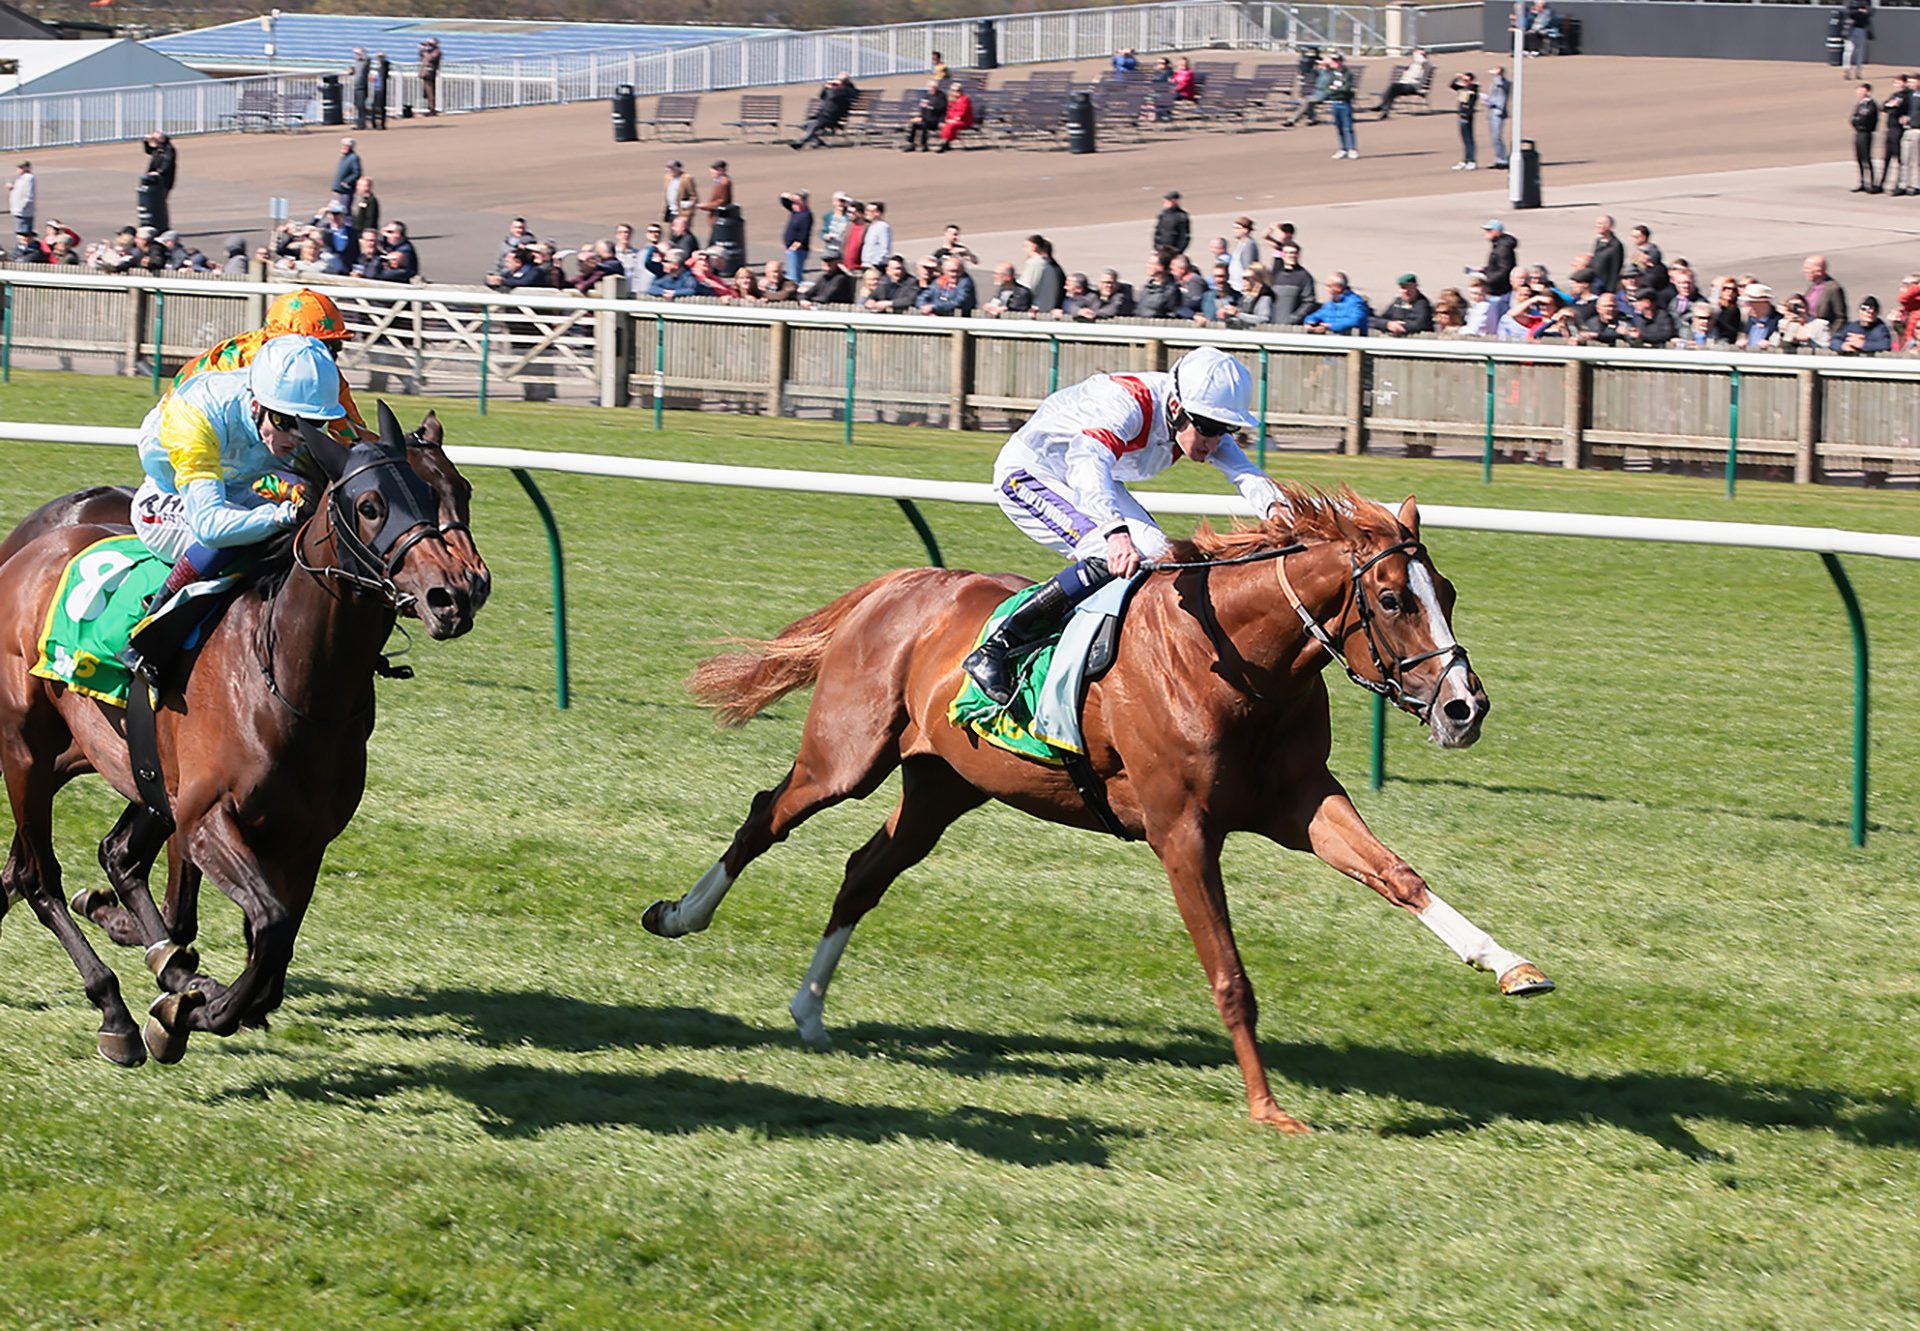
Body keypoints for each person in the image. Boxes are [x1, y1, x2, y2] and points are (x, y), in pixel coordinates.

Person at [961, 346, 1285, 705]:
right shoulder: (1127, 404)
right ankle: (997, 647)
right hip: (1031, 472)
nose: (1216, 440)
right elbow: (1087, 460)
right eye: (1209, 428)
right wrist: (1115, 533)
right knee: (1106, 550)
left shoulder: (1196, 421)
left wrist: (1276, 509)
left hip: (1087, 476)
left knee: (1160, 554)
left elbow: (1246, 474)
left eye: (1228, 428)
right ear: (1176, 408)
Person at [125, 335, 347, 674]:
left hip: (234, 487)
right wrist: (284, 512)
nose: (298, 439)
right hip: (170, 496)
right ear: (256, 405)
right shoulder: (198, 412)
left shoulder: (283, 411)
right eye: (287, 424)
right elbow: (211, 527)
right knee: (232, 542)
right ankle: (148, 635)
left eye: (312, 425)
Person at [792, 72, 859, 149]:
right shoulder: (835, 89)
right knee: (805, 125)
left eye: (840, 81)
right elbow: (822, 96)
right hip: (822, 115)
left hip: (833, 118)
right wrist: (826, 87)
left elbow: (834, 96)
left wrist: (833, 88)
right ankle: (818, 141)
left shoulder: (847, 91)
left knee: (814, 125)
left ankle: (802, 141)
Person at [1302, 272, 1370, 335]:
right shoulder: (1330, 304)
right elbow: (1318, 314)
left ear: (1338, 288)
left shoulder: (1356, 302)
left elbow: (1355, 320)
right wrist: (1310, 322)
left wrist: (1331, 326)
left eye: (1329, 286)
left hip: (1351, 340)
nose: (1326, 289)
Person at [1374, 48, 1430, 119]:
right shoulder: (1414, 65)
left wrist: (1421, 54)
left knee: (1394, 88)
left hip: (1413, 86)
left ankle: (1383, 106)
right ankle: (1385, 110)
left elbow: (1423, 62)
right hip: (1405, 84)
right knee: (1393, 89)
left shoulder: (1425, 64)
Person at [1877, 76, 1909, 194]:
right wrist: (1890, 105)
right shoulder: (1894, 95)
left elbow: (1898, 109)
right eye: (1896, 83)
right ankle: (1881, 183)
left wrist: (1893, 106)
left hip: (1898, 129)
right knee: (1886, 158)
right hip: (1890, 128)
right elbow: (1883, 107)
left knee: (1899, 158)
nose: (1897, 85)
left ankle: (1900, 184)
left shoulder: (1907, 96)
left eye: (1899, 82)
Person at [139, 133, 176, 233]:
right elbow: (149, 151)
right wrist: (146, 141)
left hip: (164, 181)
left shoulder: (168, 149)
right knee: (152, 202)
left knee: (160, 202)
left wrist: (159, 172)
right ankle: (154, 224)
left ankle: (163, 226)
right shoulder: (158, 149)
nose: (154, 140)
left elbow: (168, 162)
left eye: (156, 138)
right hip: (153, 180)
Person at [1325, 54, 1358, 158]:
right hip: (1335, 102)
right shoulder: (1331, 74)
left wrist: (1336, 89)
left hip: (1345, 102)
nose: (1333, 63)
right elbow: (1328, 88)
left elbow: (1346, 88)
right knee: (1338, 127)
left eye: (1335, 61)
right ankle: (1343, 148)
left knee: (1348, 126)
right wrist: (1333, 89)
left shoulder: (1348, 73)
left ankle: (1352, 148)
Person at [1023, 234, 1066, 313]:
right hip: (1048, 309)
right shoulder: (1053, 268)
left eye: (1026, 246)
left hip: (1035, 309)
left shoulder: (1035, 263)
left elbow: (1026, 288)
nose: (1025, 250)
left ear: (1034, 247)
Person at [1850, 84, 1880, 193]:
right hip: (1858, 132)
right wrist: (1857, 120)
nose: (1859, 93)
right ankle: (1862, 182)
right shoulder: (1860, 104)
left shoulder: (1871, 104)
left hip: (1866, 132)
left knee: (1867, 158)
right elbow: (1854, 118)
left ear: (1867, 91)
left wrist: (1858, 120)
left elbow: (1865, 118)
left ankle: (1871, 183)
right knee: (1859, 158)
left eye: (1861, 91)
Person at [1804, 254, 1848, 327]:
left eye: (1808, 268)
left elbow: (1840, 318)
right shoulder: (1813, 286)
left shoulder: (1833, 288)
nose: (1804, 271)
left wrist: (1832, 335)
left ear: (1819, 271)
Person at [780, 189, 812, 286]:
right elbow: (784, 201)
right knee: (795, 273)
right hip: (791, 248)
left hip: (798, 249)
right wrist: (787, 196)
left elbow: (805, 231)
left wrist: (798, 243)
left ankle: (795, 291)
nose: (795, 204)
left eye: (798, 201)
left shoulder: (806, 215)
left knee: (794, 276)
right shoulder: (795, 211)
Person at [905, 78, 947, 152]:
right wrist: (920, 117)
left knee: (924, 124)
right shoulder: (926, 96)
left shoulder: (941, 96)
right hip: (926, 118)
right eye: (930, 87)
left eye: (933, 88)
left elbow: (941, 109)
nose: (931, 89)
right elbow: (923, 109)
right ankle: (911, 143)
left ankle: (923, 144)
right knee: (914, 124)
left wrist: (929, 106)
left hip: (936, 120)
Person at [1450, 72, 1479, 170]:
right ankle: (1465, 160)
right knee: (1464, 140)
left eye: (1466, 80)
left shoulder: (1472, 89)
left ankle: (1471, 160)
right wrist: (1457, 78)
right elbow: (1452, 85)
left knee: (1469, 140)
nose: (1464, 82)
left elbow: (1470, 105)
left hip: (1467, 117)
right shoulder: (1463, 88)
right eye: (1464, 80)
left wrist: (1466, 116)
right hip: (1461, 116)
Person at [1485, 67, 1511, 168]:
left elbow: (1502, 85)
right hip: (1492, 111)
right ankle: (1499, 158)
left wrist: (1498, 75)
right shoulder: (1495, 84)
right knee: (1494, 137)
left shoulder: (1505, 83)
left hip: (1498, 112)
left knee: (1497, 137)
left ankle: (1503, 159)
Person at [938, 81, 975, 151]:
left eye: (958, 90)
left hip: (964, 121)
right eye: (954, 91)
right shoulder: (951, 100)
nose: (956, 92)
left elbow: (963, 112)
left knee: (950, 125)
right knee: (945, 124)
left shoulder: (965, 99)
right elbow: (949, 112)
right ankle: (946, 142)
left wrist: (955, 119)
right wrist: (947, 119)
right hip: (953, 120)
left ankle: (944, 142)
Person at [1152, 190, 1189, 256]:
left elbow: (1184, 235)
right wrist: (1156, 246)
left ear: (1175, 201)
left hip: (1173, 250)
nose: (1165, 202)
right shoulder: (1163, 214)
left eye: (1168, 200)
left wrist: (1178, 250)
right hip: (1161, 249)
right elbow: (1158, 231)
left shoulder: (1181, 216)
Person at [1842, 0, 1873, 80]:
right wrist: (1859, 11)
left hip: (1861, 27)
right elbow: (1847, 11)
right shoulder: (1850, 1)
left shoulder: (1866, 1)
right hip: (1850, 27)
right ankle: (1847, 71)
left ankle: (1858, 72)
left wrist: (1863, 12)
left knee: (1859, 51)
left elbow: (1869, 12)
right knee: (1849, 50)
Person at [860, 201, 893, 272]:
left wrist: (875, 263)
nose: (867, 213)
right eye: (867, 210)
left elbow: (884, 248)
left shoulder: (882, 227)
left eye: (870, 211)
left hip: (876, 266)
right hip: (867, 264)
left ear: (878, 213)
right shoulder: (871, 226)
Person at [663, 159, 697, 224]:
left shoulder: (686, 178)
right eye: (668, 168)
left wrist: (687, 214)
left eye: (672, 168)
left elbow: (693, 196)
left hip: (681, 213)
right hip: (671, 211)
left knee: (681, 232)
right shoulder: (667, 177)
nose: (669, 170)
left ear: (678, 168)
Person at [331, 138, 361, 207]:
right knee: (341, 210)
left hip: (347, 189)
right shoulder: (344, 158)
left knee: (345, 210)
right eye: (344, 146)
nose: (344, 148)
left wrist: (346, 181)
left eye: (347, 146)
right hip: (341, 189)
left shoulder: (353, 158)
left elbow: (357, 173)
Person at [9, 161, 34, 240]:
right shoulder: (21, 178)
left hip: (24, 212)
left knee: (23, 235)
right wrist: (12, 188)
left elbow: (27, 195)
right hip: (19, 211)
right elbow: (19, 191)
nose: (18, 169)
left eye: (21, 168)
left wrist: (21, 208)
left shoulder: (28, 178)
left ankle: (24, 250)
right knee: (20, 233)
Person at [418, 38, 442, 117]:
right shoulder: (429, 52)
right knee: (426, 92)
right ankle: (429, 107)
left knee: (430, 91)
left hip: (430, 73)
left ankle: (432, 109)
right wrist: (422, 50)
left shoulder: (437, 51)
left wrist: (424, 51)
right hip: (425, 73)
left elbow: (430, 58)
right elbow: (421, 57)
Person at [350, 48, 371, 131]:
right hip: (356, 86)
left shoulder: (366, 61)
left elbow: (366, 58)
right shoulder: (357, 63)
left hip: (362, 86)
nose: (357, 56)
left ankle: (362, 123)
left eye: (358, 54)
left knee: (361, 105)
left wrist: (362, 52)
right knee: (357, 105)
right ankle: (359, 123)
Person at [371, 52, 391, 130]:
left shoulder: (384, 66)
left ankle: (381, 124)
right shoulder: (378, 68)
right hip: (377, 87)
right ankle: (375, 124)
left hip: (381, 89)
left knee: (380, 107)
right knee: (374, 107)